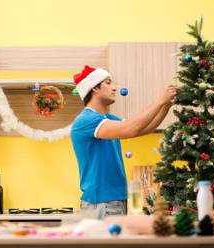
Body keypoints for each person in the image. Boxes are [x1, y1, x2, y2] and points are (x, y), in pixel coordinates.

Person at [70, 65, 178, 219]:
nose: (114, 88)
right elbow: (133, 128)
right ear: (94, 88)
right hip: (102, 202)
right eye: (108, 83)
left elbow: (145, 128)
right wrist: (160, 101)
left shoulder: (106, 119)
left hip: (113, 200)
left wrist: (166, 104)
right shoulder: (87, 120)